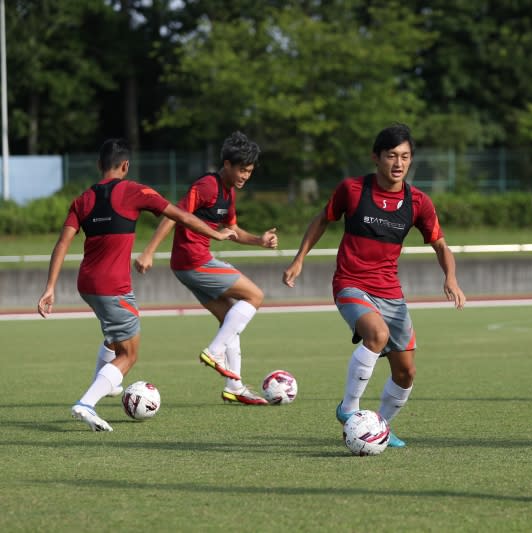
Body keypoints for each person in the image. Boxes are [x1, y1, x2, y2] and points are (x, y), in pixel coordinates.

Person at [282, 123, 466, 448]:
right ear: (376, 157)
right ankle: (349, 409)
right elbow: (322, 219)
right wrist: (299, 259)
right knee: (376, 335)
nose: (398, 163)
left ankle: (378, 425)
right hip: (351, 284)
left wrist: (450, 276)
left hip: (391, 293)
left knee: (406, 373)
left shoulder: (418, 202)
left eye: (405, 157)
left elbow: (440, 244)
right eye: (391, 155)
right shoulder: (352, 190)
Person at [37, 138, 236, 432]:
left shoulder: (82, 199)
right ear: (126, 166)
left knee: (114, 339)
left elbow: (62, 243)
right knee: (129, 355)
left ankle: (107, 384)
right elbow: (179, 215)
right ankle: (86, 403)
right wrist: (216, 234)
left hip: (87, 284)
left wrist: (50, 287)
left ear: (98, 165)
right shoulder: (133, 190)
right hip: (112, 287)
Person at [135, 131, 277, 405]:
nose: (246, 176)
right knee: (255, 296)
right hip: (194, 259)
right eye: (242, 170)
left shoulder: (228, 193)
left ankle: (234, 385)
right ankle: (214, 351)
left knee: (230, 321)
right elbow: (173, 215)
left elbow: (232, 230)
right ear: (227, 165)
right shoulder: (207, 186)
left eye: (249, 171)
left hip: (189, 263)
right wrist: (149, 252)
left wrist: (259, 240)